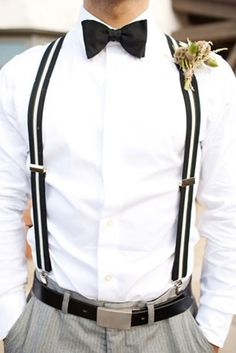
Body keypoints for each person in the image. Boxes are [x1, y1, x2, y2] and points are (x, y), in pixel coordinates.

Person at [0, 0, 236, 352]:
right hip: (49, 331)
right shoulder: (23, 77)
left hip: (171, 334)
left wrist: (212, 333)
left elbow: (227, 211)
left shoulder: (210, 79)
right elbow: (3, 206)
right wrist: (11, 325)